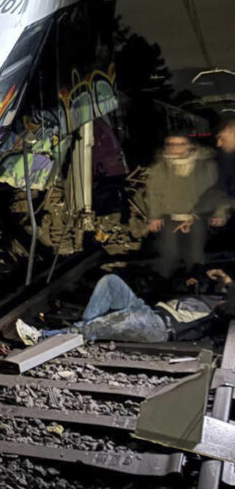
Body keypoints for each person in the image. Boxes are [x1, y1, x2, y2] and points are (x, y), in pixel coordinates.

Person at [18, 270, 235, 344]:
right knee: (111, 281)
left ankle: (42, 338)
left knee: (106, 323)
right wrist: (216, 278)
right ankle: (84, 329)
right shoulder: (214, 294)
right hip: (151, 311)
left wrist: (226, 283)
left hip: (161, 328)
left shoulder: (222, 312)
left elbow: (231, 303)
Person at [144, 131, 224, 278]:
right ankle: (166, 289)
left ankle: (197, 286)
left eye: (181, 144)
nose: (175, 148)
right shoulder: (161, 167)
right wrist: (155, 215)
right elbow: (154, 192)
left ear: (190, 146)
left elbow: (217, 190)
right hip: (170, 217)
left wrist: (219, 212)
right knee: (168, 255)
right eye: (171, 145)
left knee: (195, 254)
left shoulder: (205, 165)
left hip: (197, 217)